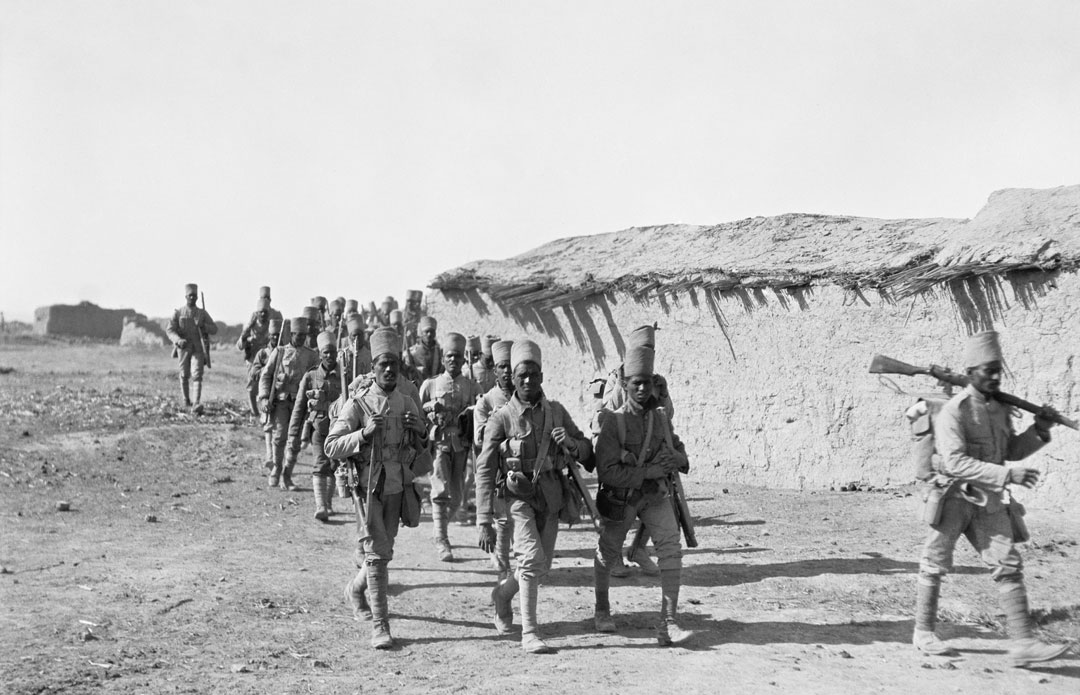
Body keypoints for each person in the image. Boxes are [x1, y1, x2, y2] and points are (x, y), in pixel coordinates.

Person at [913, 330, 1069, 666]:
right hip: (953, 497)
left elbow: (1009, 451)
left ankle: (1023, 644)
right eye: (988, 370)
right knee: (935, 562)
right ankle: (923, 631)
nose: (995, 376)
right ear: (970, 373)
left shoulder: (999, 410)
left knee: (1007, 565)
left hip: (990, 502)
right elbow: (955, 462)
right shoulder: (955, 410)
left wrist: (1039, 429)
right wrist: (1006, 476)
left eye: (998, 370)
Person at [476, 340, 593, 653]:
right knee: (529, 559)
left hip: (550, 497)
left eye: (534, 374)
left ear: (542, 376)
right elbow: (485, 469)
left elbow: (586, 451)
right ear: (513, 379)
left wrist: (569, 442)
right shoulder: (501, 417)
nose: (529, 381)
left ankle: (503, 594)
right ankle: (530, 632)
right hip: (517, 499)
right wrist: (483, 518)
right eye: (522, 375)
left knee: (541, 565)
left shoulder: (556, 412)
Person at [325, 328, 430, 650]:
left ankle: (356, 590)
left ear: (400, 368)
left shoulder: (409, 402)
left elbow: (425, 458)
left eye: (394, 365)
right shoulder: (358, 405)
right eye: (382, 364)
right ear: (373, 368)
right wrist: (364, 435)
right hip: (368, 488)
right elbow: (332, 446)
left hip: (397, 487)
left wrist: (421, 433)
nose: (388, 370)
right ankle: (381, 627)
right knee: (375, 554)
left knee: (383, 555)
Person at [592, 342, 695, 646]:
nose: (641, 389)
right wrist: (645, 472)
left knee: (670, 548)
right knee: (608, 552)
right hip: (621, 499)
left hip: (654, 496)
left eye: (647, 383)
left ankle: (669, 622)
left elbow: (677, 447)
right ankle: (601, 609)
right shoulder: (613, 421)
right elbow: (607, 471)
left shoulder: (660, 417)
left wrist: (679, 459)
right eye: (635, 383)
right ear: (624, 385)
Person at [420, 333, 481, 561]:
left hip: (461, 445)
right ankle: (442, 539)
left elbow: (479, 412)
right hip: (441, 443)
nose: (453, 360)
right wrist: (431, 408)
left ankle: (439, 528)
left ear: (463, 361)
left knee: (457, 496)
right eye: (449, 356)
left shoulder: (470, 386)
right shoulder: (432, 384)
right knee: (440, 490)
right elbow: (419, 409)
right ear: (443, 359)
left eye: (457, 357)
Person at [258, 317, 319, 491]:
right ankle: (276, 468)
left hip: (301, 404)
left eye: (303, 335)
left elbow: (316, 377)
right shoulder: (279, 352)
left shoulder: (311, 355)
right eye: (297, 335)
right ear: (291, 334)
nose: (300, 338)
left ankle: (287, 475)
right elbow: (265, 376)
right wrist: (264, 397)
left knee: (295, 442)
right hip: (282, 402)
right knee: (279, 437)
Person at [289, 331, 343, 522]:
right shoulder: (311, 376)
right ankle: (321, 506)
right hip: (319, 428)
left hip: (340, 431)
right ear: (320, 354)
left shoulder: (345, 376)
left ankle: (328, 503)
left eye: (333, 352)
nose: (330, 356)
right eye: (326, 352)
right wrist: (293, 434)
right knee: (320, 464)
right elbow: (299, 407)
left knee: (335, 466)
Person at [473, 339, 515, 581]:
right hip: (497, 468)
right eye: (502, 367)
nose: (507, 371)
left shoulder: (526, 396)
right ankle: (503, 568)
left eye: (511, 366)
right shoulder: (486, 401)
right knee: (503, 519)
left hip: (524, 469)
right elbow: (480, 440)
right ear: (495, 371)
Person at [165, 283, 218, 414]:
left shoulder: (202, 313)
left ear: (197, 298)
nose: (192, 298)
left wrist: (204, 326)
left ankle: (196, 403)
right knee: (184, 374)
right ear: (185, 297)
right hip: (183, 348)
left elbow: (214, 329)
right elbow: (170, 330)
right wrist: (178, 340)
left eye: (194, 296)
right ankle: (186, 400)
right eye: (190, 296)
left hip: (198, 348)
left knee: (197, 375)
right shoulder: (178, 313)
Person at [249, 318, 282, 464]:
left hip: (282, 395)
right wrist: (267, 370)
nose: (275, 337)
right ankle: (270, 458)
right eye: (273, 335)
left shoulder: (286, 351)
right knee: (268, 426)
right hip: (266, 394)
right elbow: (253, 372)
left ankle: (278, 459)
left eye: (278, 335)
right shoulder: (262, 353)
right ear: (269, 336)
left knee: (281, 429)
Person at [237, 298, 273, 415]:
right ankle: (254, 411)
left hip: (267, 359)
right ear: (256, 313)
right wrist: (247, 339)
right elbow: (239, 345)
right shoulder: (250, 327)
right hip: (252, 360)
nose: (263, 314)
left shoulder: (271, 326)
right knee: (252, 385)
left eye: (265, 312)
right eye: (261, 312)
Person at [406, 316, 442, 387]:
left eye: (432, 331)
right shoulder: (413, 352)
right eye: (427, 331)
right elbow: (407, 369)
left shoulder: (439, 352)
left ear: (435, 333)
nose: (429, 334)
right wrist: (418, 370)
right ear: (422, 333)